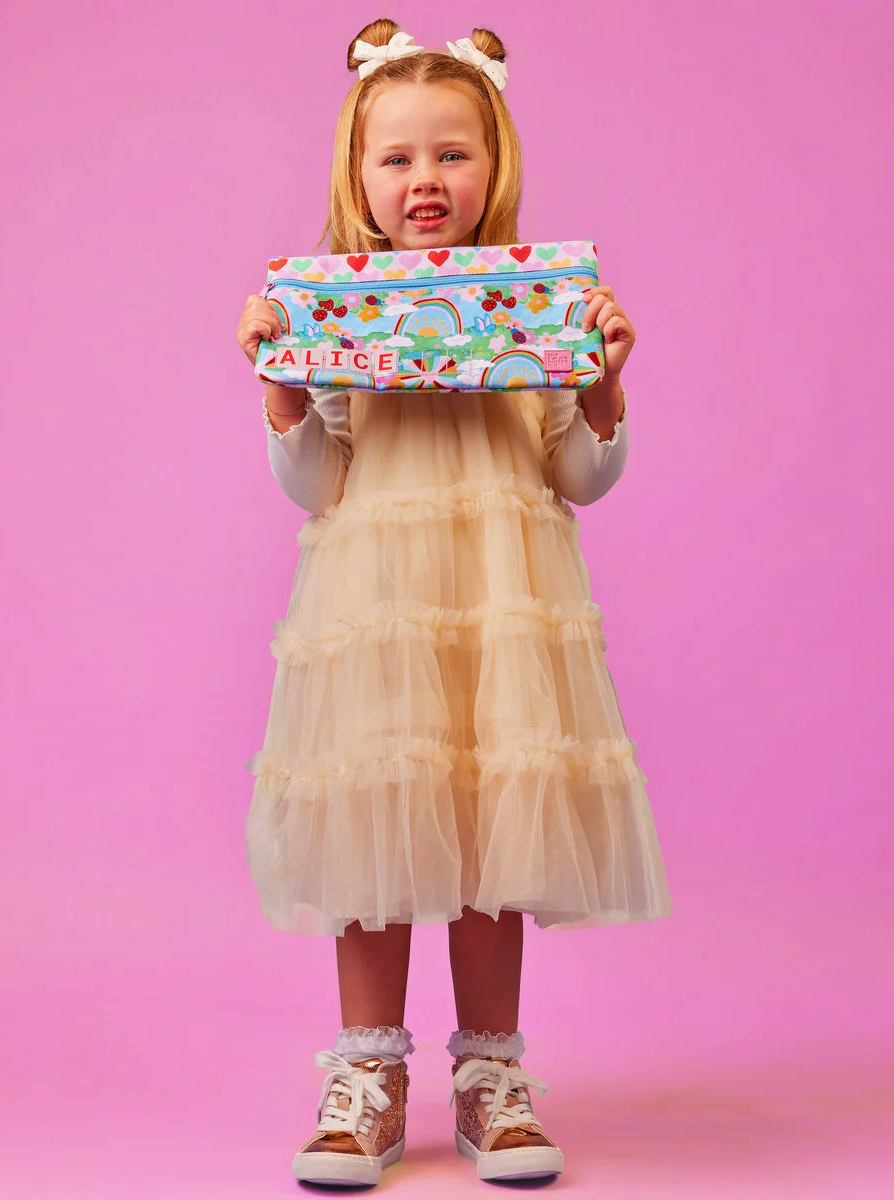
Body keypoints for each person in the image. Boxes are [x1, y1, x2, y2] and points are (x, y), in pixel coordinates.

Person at [236, 19, 672, 1188]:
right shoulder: (332, 309)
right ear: (359, 177)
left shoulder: (539, 303)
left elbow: (578, 473)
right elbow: (319, 483)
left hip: (500, 603)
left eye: (452, 154)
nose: (424, 179)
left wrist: (603, 382)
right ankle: (368, 1077)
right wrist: (284, 392)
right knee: (376, 822)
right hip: (379, 604)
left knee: (493, 826)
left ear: (495, 166)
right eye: (397, 158)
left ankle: (491, 1075)